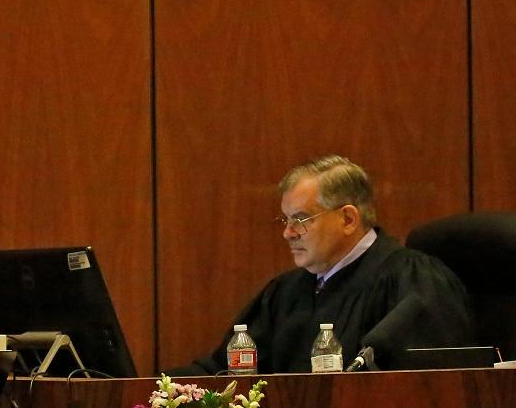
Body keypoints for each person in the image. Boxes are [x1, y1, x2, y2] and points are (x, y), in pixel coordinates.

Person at [170, 155, 473, 374]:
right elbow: (221, 371)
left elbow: (434, 388)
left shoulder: (414, 281)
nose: (287, 232)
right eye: (286, 220)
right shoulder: (284, 293)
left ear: (348, 219)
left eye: (301, 219)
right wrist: (155, 389)